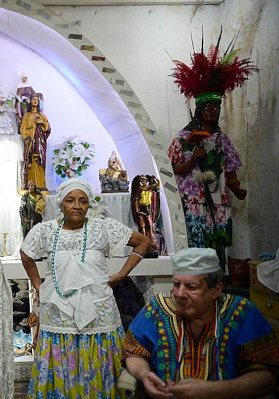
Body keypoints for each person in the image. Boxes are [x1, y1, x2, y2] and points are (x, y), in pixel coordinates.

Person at [20, 178, 151, 398]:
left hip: (99, 315)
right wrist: (38, 285)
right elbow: (26, 253)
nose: (77, 206)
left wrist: (121, 274)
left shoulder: (103, 227)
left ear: (89, 204)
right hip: (58, 315)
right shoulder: (46, 230)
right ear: (61, 204)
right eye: (70, 200)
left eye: (82, 201)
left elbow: (143, 242)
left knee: (101, 367)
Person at [123, 247, 278, 399]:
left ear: (216, 290)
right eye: (176, 284)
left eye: (191, 287)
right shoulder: (158, 309)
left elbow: (268, 377)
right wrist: (144, 375)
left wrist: (212, 391)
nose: (179, 294)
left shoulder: (241, 312)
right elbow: (133, 351)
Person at [169, 39, 255, 270]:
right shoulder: (182, 138)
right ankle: (197, 281)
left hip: (219, 200)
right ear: (198, 109)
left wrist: (236, 188)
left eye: (216, 108)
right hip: (194, 201)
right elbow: (171, 170)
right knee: (197, 244)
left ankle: (219, 282)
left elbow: (231, 169)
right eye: (208, 107)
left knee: (220, 243)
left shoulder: (221, 138)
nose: (212, 111)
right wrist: (193, 160)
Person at [19, 94, 50, 192]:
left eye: (37, 100)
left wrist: (42, 123)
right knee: (30, 161)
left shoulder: (42, 115)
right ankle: (29, 184)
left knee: (39, 160)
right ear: (30, 101)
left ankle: (40, 184)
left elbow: (48, 128)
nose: (35, 101)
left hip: (40, 141)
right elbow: (22, 128)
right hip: (30, 141)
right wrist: (26, 137)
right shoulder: (27, 115)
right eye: (33, 99)